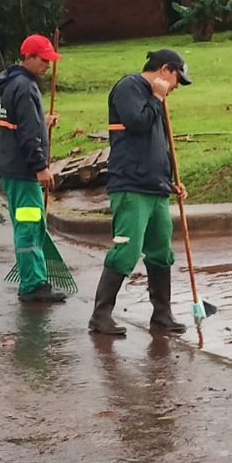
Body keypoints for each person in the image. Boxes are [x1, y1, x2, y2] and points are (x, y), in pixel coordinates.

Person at [88, 49, 193, 336]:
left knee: (161, 252)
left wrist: (171, 178)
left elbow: (159, 142)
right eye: (176, 80)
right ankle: (100, 316)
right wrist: (157, 97)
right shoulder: (129, 88)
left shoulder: (158, 101)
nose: (175, 88)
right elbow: (137, 123)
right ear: (165, 70)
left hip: (156, 187)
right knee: (127, 251)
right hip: (131, 186)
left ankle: (162, 315)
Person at [0, 34, 66, 303]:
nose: (48, 64)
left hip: (12, 167)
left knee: (28, 222)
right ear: (30, 57)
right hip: (23, 170)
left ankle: (32, 278)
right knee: (30, 224)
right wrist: (40, 167)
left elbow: (22, 124)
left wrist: (41, 122)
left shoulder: (14, 83)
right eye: (44, 59)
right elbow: (26, 134)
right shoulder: (25, 87)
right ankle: (33, 284)